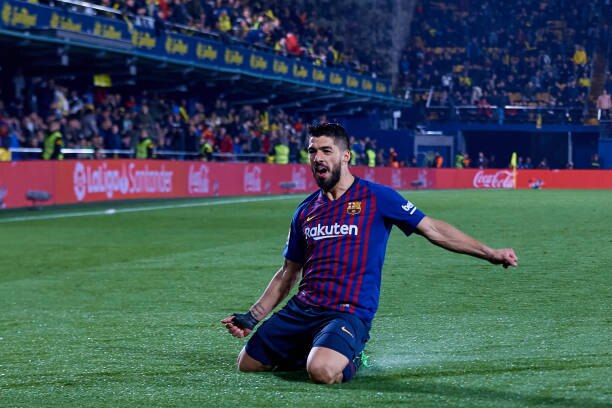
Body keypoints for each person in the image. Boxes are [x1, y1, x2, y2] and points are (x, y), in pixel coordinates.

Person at [220, 123, 518, 384]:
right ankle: (319, 349)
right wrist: (252, 316)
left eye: (326, 150)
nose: (317, 158)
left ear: (345, 156)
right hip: (303, 309)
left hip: (347, 311)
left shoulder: (377, 197)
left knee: (322, 372)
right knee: (247, 364)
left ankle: (351, 357)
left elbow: (432, 229)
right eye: (312, 151)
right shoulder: (305, 211)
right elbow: (288, 272)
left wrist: (489, 253)